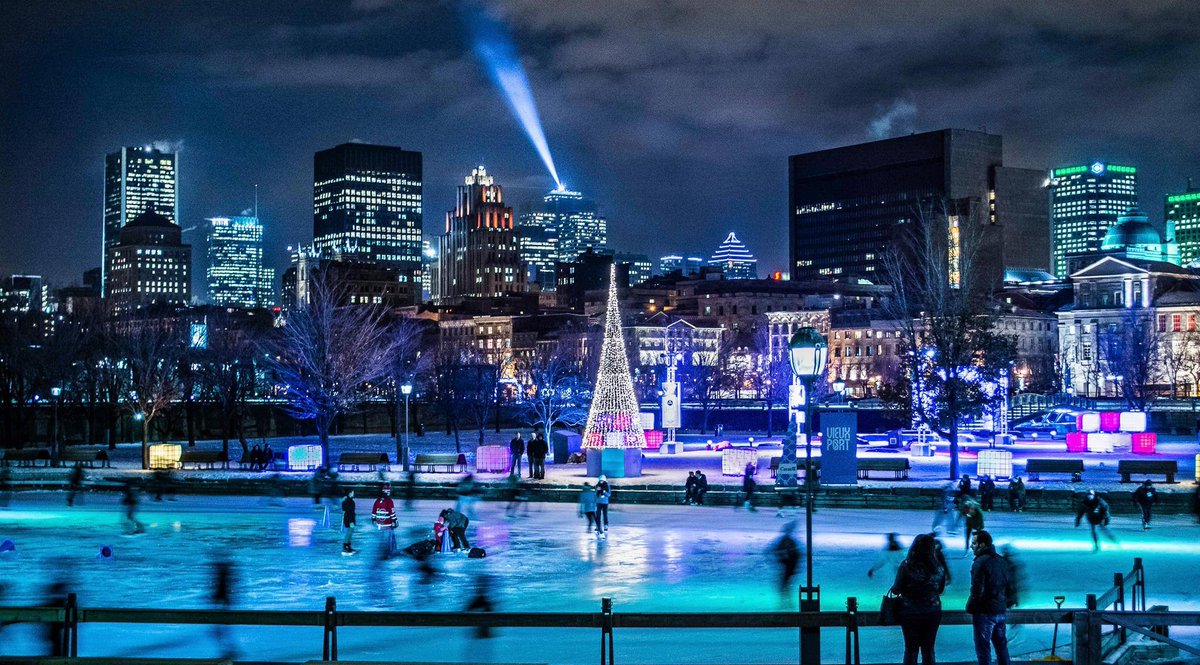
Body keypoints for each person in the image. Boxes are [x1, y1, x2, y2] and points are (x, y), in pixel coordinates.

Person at [891, 533, 947, 665]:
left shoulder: (906, 566)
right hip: (932, 611)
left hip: (910, 611)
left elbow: (896, 589)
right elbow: (940, 589)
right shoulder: (938, 567)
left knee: (911, 648)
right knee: (928, 648)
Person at [967, 530, 1011, 665]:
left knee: (983, 648)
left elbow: (977, 590)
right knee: (1001, 646)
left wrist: (971, 607)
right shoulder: (1001, 561)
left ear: (982, 545)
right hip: (1000, 610)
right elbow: (1008, 585)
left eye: (974, 543)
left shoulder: (980, 563)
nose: (971, 546)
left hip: (985, 612)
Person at [770, 521, 802, 605]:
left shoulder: (787, 541)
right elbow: (797, 554)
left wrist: (781, 560)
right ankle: (787, 601)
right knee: (785, 584)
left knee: (784, 584)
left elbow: (777, 550)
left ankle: (785, 602)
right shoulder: (789, 541)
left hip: (788, 566)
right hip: (789, 566)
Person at [211, 559, 237, 658]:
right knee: (223, 625)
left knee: (221, 626)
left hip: (221, 596)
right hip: (223, 596)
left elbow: (217, 586)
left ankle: (218, 626)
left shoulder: (222, 575)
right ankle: (220, 625)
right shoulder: (226, 574)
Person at [371, 483, 398, 554]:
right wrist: (394, 520)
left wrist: (373, 519)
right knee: (388, 538)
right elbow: (392, 512)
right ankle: (387, 551)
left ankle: (381, 549)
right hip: (387, 523)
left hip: (379, 523)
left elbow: (374, 510)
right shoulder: (389, 501)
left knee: (381, 537)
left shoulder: (377, 500)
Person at [341, 490, 357, 554]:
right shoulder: (349, 501)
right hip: (349, 519)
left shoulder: (347, 500)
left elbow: (344, 509)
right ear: (349, 493)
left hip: (349, 519)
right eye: (352, 493)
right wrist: (351, 521)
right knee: (349, 533)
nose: (353, 494)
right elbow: (349, 512)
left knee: (350, 532)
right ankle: (345, 546)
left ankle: (348, 546)